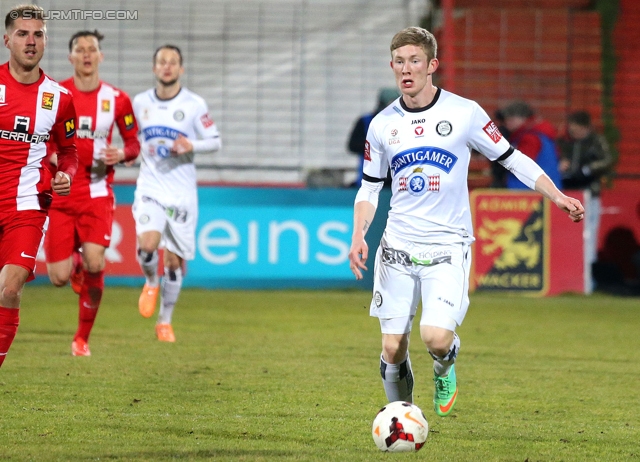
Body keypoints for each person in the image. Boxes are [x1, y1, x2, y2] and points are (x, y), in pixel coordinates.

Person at [347, 27, 584, 417]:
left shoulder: (464, 113)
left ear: (432, 65)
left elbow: (511, 158)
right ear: (392, 67)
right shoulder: (381, 125)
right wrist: (359, 233)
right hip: (397, 246)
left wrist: (556, 196)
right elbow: (369, 188)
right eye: (400, 62)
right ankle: (401, 420)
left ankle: (445, 366)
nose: (407, 69)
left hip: (447, 246)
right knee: (392, 348)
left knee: (436, 338)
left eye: (415, 61)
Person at [43, 30, 140, 357]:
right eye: (80, 50)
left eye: (92, 49)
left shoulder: (117, 99)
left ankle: (81, 339)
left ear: (101, 56)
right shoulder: (56, 94)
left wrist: (122, 154)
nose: (86, 54)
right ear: (70, 58)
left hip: (97, 192)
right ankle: (75, 263)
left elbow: (133, 143)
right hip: (61, 194)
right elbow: (43, 137)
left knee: (96, 263)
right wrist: (52, 156)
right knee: (58, 278)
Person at [0, 5, 77, 368]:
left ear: (46, 40)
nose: (31, 41)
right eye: (22, 34)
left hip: (28, 207)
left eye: (38, 34)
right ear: (7, 40)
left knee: (10, 288)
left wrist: (66, 175)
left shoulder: (60, 98)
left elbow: (70, 151)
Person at [132, 45, 221, 342]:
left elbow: (215, 140)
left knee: (173, 261)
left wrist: (191, 145)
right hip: (151, 187)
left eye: (173, 62)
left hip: (181, 193)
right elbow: (133, 140)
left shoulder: (194, 105)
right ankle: (150, 281)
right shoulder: (140, 103)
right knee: (147, 244)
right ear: (154, 67)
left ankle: (165, 320)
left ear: (181, 69)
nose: (167, 67)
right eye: (162, 62)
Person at [557, 110, 612, 274]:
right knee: (565, 235)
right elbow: (555, 159)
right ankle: (567, 273)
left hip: (589, 194)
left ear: (586, 128)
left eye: (577, 130)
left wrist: (588, 170)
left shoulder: (596, 142)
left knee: (589, 235)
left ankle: (588, 277)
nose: (574, 133)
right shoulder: (564, 142)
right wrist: (562, 165)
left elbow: (607, 161)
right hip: (567, 195)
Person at [501, 101, 563, 190]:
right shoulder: (541, 135)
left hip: (529, 192)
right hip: (545, 190)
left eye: (511, 119)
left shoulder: (529, 138)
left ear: (522, 118)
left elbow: (520, 165)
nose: (507, 123)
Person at [347, 87, 400, 187]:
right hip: (370, 179)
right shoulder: (365, 121)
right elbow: (352, 145)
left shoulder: (402, 123)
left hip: (396, 181)